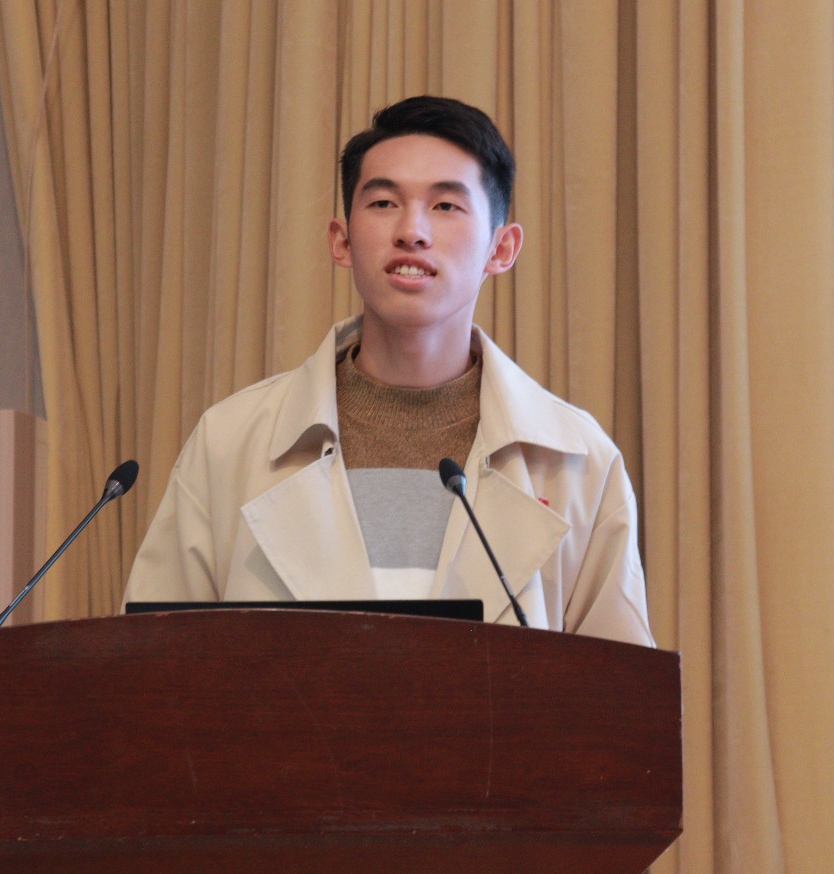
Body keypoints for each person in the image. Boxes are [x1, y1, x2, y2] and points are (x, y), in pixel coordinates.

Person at [123, 97, 654, 646]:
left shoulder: (578, 463)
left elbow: (620, 689)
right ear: (342, 240)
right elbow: (151, 667)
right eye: (383, 203)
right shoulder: (229, 443)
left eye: (445, 205)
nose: (412, 231)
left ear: (501, 248)